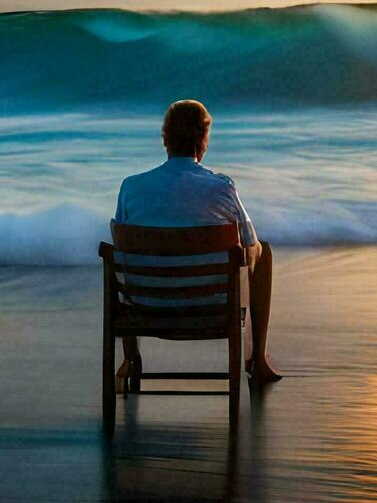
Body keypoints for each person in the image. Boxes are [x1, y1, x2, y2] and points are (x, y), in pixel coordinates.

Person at [115, 99, 282, 384]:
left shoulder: (131, 187)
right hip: (210, 307)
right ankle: (258, 359)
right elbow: (250, 244)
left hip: (145, 307)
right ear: (203, 140)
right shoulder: (222, 186)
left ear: (165, 140)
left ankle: (131, 359)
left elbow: (122, 252)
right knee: (262, 251)